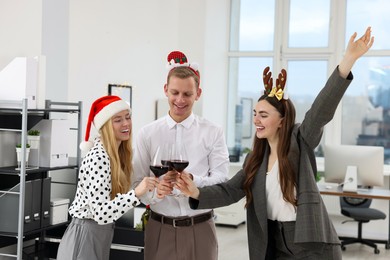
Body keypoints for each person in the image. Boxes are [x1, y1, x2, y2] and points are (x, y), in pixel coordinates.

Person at [175, 27, 374, 260]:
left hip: (309, 241)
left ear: (281, 120)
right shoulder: (255, 158)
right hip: (272, 240)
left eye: (264, 115)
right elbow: (230, 190)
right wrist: (196, 191)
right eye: (255, 113)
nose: (256, 120)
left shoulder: (301, 140)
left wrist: (347, 60)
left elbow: (321, 111)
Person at [132, 50, 230, 260]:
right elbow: (137, 183)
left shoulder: (213, 132)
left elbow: (222, 179)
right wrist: (156, 193)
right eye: (175, 92)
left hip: (201, 227)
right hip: (159, 228)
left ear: (198, 93)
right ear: (166, 90)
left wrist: (194, 181)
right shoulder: (147, 133)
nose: (180, 100)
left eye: (187, 94)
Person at [56, 95, 158, 260]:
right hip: (85, 235)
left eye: (128, 117)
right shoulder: (99, 157)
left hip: (97, 235)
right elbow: (101, 214)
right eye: (117, 120)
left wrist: (151, 192)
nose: (126, 123)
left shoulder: (117, 155)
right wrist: (136, 193)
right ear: (105, 126)